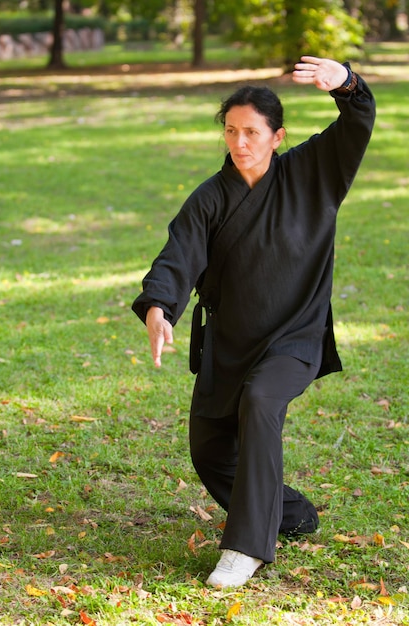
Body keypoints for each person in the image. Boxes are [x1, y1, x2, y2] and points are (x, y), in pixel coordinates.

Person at [132, 57, 376, 588]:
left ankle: (246, 548)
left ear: (276, 135)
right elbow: (178, 255)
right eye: (230, 130)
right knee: (210, 449)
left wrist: (349, 86)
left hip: (294, 336)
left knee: (262, 401)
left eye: (251, 132)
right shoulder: (210, 198)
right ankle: (289, 514)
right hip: (230, 343)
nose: (239, 142)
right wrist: (159, 305)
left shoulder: (315, 173)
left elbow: (357, 122)